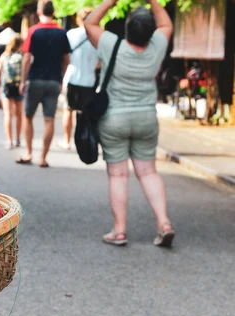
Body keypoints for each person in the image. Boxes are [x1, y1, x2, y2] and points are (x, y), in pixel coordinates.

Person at [84, 0, 175, 247]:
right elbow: (166, 23)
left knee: (118, 174)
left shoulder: (111, 45)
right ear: (151, 32)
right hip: (146, 118)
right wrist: (154, 1)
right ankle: (164, 223)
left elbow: (89, 22)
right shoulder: (157, 46)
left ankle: (120, 231)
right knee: (148, 172)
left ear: (127, 28)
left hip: (114, 119)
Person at [17, 0, 70, 167]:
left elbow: (27, 58)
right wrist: (61, 77)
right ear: (53, 12)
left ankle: (28, 152)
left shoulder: (34, 31)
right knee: (49, 119)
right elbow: (66, 59)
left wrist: (23, 81)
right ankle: (43, 158)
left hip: (35, 79)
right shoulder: (62, 33)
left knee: (28, 116)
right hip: (53, 81)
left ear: (39, 12)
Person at [60, 8, 98, 150]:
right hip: (89, 80)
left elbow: (65, 57)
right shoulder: (98, 36)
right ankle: (83, 141)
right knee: (85, 113)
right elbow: (101, 60)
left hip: (72, 77)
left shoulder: (71, 34)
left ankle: (67, 140)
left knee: (68, 110)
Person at [0, 36, 24, 150]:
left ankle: (9, 141)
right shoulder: (23, 56)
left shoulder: (4, 56)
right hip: (19, 87)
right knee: (19, 114)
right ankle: (17, 139)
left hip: (7, 87)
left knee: (8, 114)